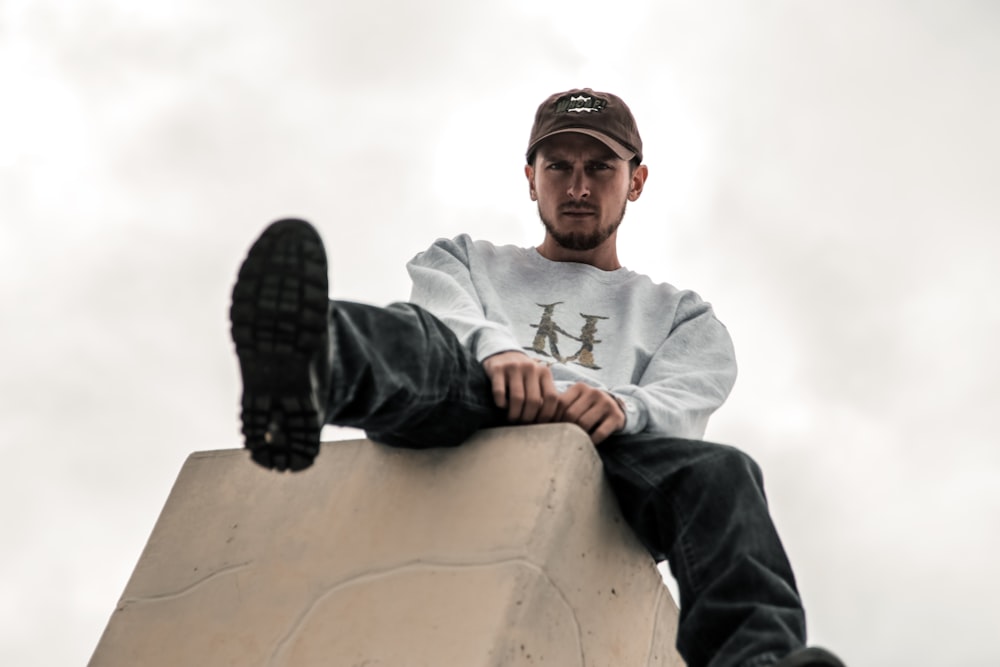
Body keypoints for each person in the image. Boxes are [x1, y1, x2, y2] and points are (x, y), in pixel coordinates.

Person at [229, 88, 845, 667]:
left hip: (608, 454)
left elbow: (690, 393)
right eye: (559, 166)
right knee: (417, 340)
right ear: (531, 179)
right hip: (477, 399)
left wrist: (624, 409)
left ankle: (758, 660)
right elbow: (445, 312)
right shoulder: (465, 257)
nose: (578, 186)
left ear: (636, 181)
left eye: (600, 168)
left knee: (723, 472)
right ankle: (306, 373)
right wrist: (498, 355)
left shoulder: (681, 313)